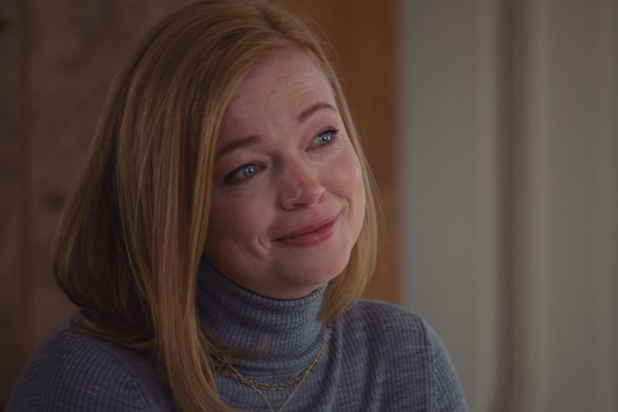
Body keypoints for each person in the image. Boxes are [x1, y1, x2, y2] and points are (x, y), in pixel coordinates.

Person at [6, 1, 467, 411]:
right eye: (247, 169)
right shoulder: (87, 384)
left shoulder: (408, 357)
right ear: (172, 210)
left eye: (323, 136)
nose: (307, 189)